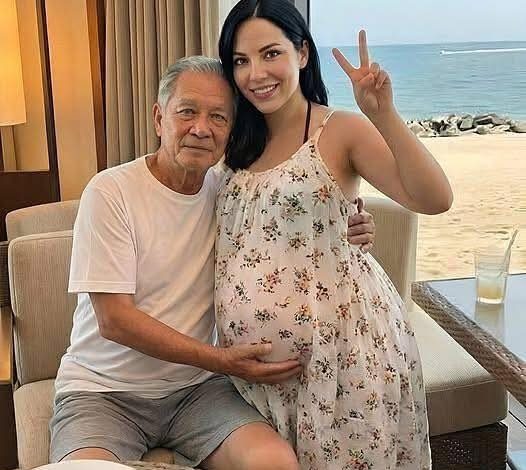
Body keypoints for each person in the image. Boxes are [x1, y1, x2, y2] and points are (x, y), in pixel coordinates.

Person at [49, 56, 376, 469]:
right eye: (187, 112)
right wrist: (221, 360)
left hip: (198, 392)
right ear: (159, 118)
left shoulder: (231, 191)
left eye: (218, 117)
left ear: (231, 130)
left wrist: (349, 225)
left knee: (275, 463)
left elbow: (298, 227)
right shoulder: (111, 192)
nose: (201, 128)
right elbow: (115, 320)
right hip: (103, 393)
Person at [215, 1, 453, 469]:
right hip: (253, 379)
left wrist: (384, 114)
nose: (256, 73)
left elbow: (434, 198)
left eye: (270, 53)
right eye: (241, 60)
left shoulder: (338, 130)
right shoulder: (234, 140)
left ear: (302, 53)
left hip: (343, 359)